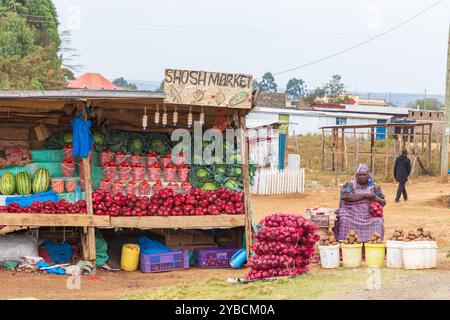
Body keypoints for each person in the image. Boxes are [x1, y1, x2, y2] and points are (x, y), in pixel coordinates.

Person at [334, 164, 386, 242]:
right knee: (344, 220)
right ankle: (345, 243)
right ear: (356, 176)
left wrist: (375, 198)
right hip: (351, 214)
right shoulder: (350, 185)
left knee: (378, 221)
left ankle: (372, 242)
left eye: (364, 175)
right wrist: (365, 195)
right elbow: (346, 197)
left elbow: (383, 202)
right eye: (360, 175)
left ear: (368, 176)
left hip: (368, 216)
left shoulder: (374, 188)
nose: (362, 177)